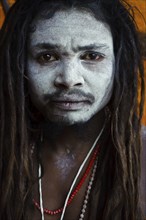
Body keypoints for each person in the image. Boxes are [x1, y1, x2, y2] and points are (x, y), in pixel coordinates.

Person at [0, 0, 145, 219]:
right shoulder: (7, 150)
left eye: (92, 56)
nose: (69, 79)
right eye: (47, 56)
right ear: (19, 63)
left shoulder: (142, 157)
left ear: (119, 63)